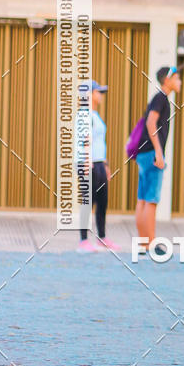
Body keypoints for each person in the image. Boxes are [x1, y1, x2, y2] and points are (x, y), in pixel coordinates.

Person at [135, 66, 182, 254]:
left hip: (144, 153)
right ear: (167, 80)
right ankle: (151, 243)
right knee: (151, 200)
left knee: (142, 199)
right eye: (177, 78)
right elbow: (150, 122)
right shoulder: (161, 98)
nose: (180, 82)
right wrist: (159, 153)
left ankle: (143, 244)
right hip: (152, 155)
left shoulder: (159, 98)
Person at [77, 80, 121, 253]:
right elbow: (85, 140)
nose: (100, 95)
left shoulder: (94, 115)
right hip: (88, 164)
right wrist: (87, 163)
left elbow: (99, 142)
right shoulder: (84, 114)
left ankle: (102, 238)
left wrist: (105, 165)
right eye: (98, 92)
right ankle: (83, 241)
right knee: (88, 202)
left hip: (99, 163)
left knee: (102, 201)